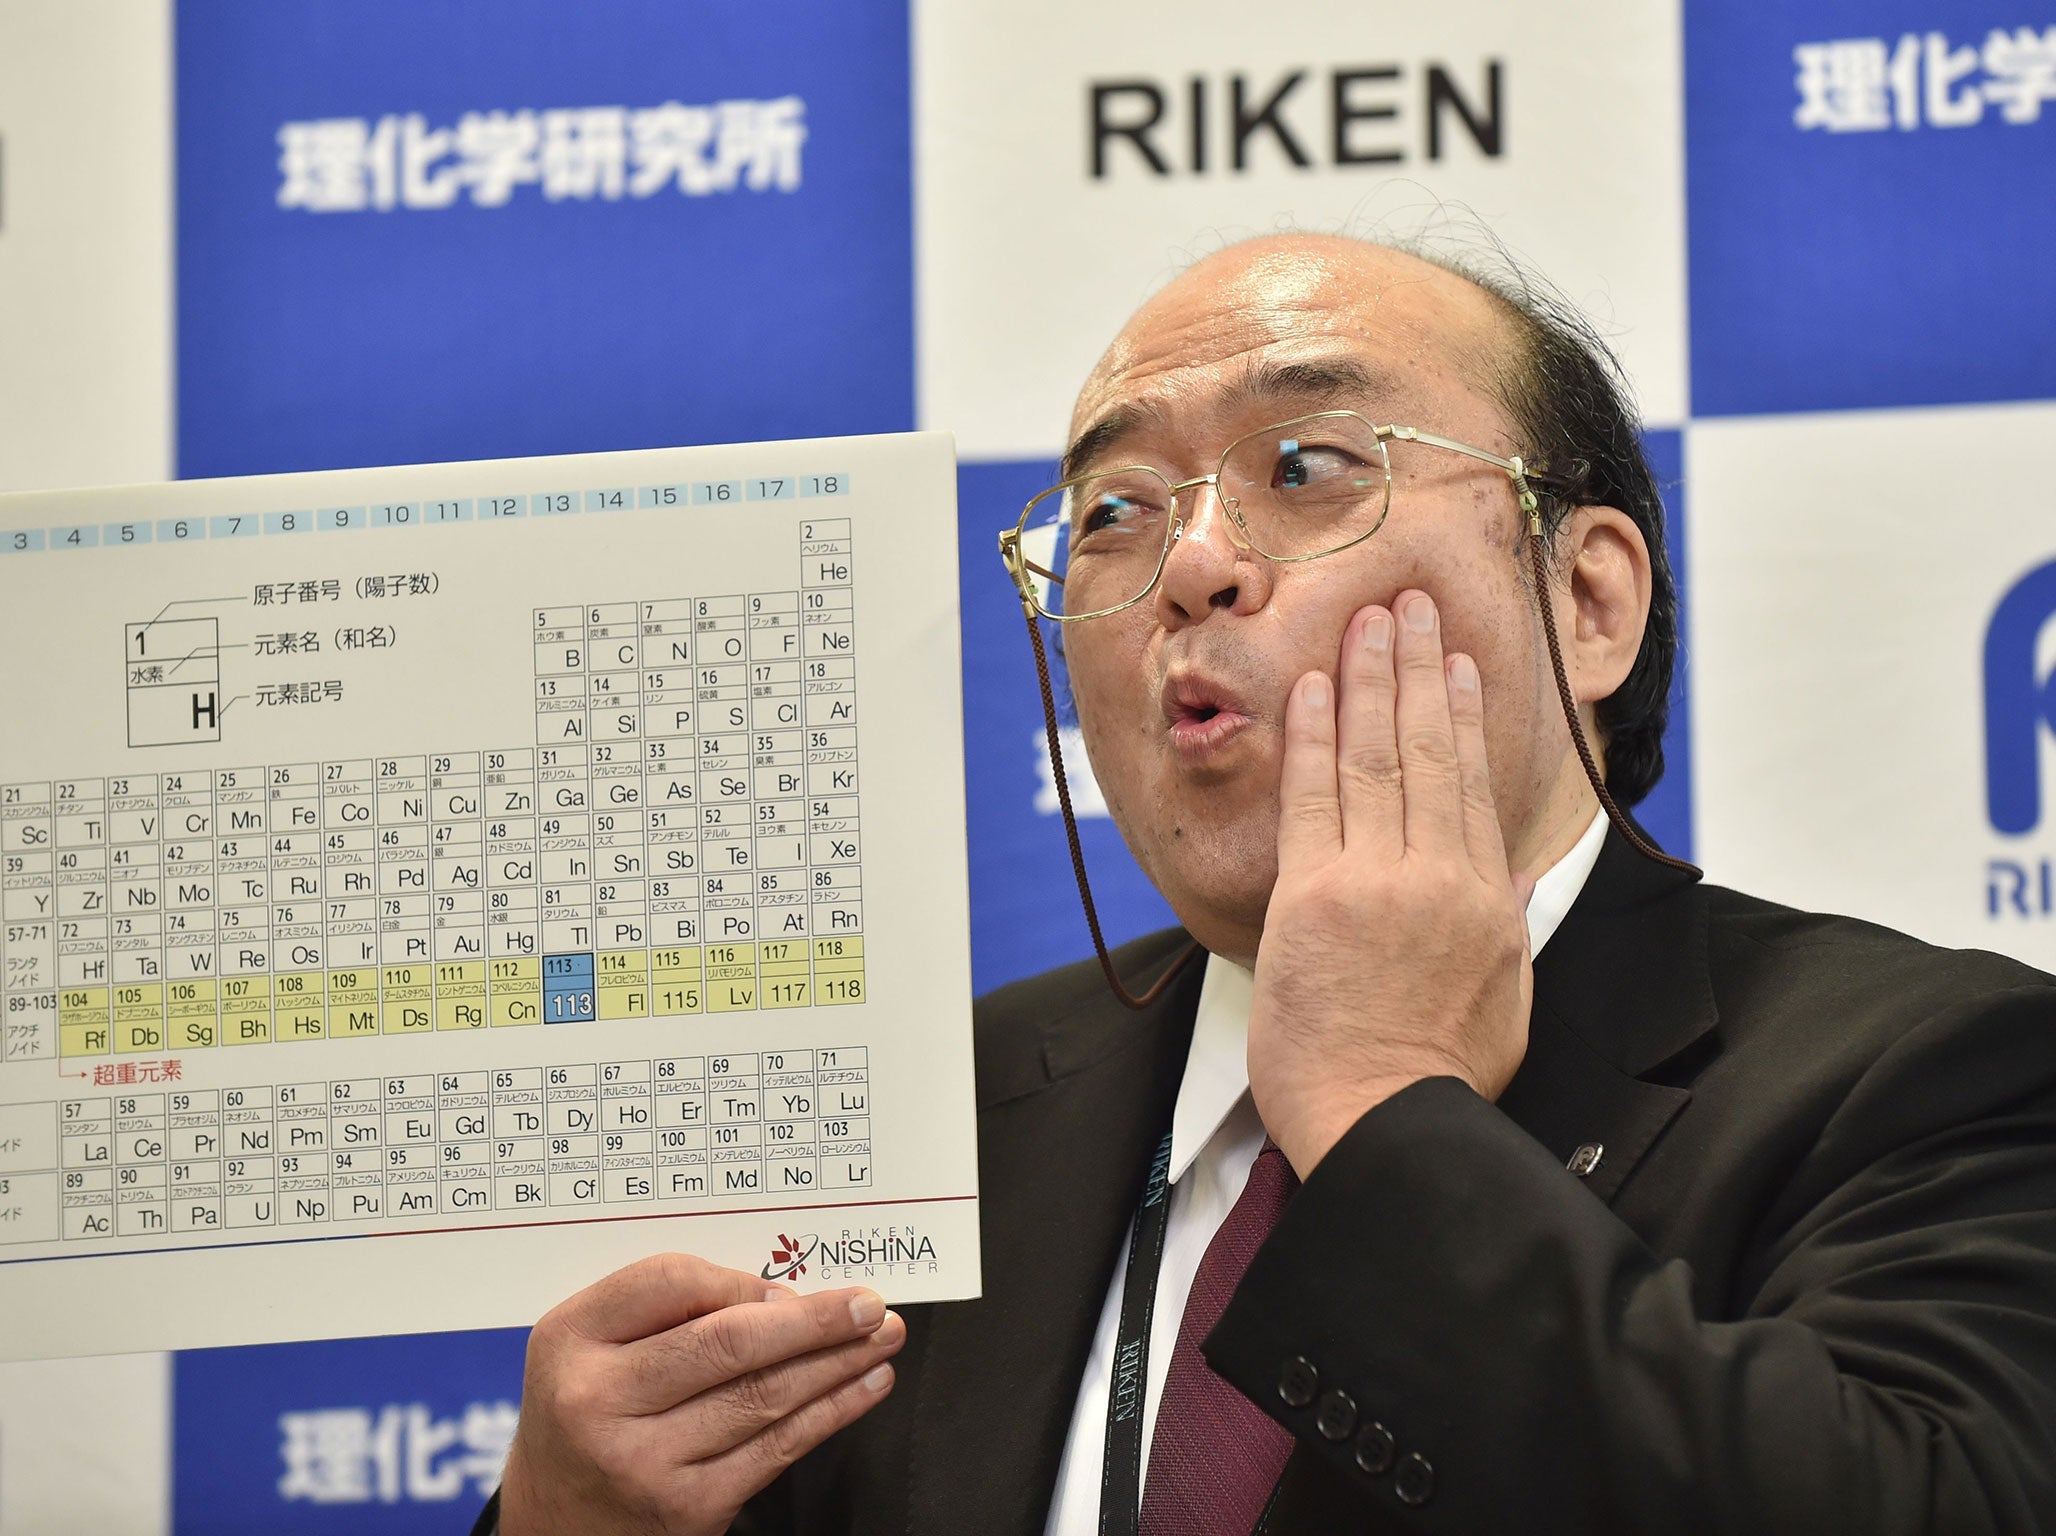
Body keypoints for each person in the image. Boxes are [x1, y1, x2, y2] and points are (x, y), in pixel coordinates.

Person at [476, 234, 2056, 1535]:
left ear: (1585, 601)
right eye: (1112, 515)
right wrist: (562, 1518)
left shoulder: (1934, 1075)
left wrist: (1379, 1109)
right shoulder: (929, 1127)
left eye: (1303, 464)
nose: (1188, 566)